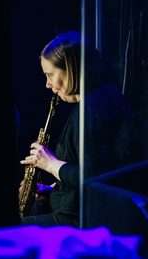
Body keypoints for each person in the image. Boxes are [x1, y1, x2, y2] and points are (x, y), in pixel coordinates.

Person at [18, 31, 135, 227]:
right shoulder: (95, 101)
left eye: (50, 75)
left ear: (70, 69)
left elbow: (96, 177)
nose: (47, 84)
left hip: (76, 222)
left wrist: (51, 165)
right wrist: (52, 191)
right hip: (72, 212)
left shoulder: (94, 109)